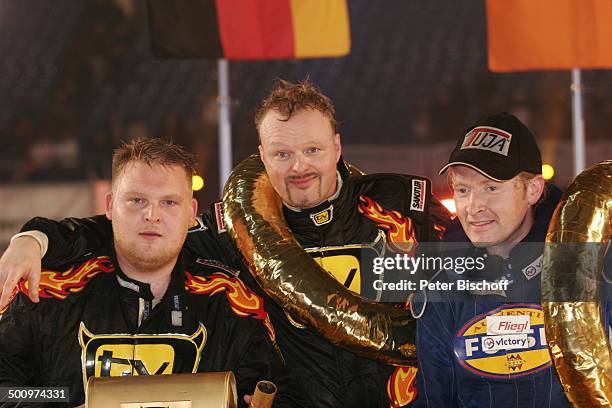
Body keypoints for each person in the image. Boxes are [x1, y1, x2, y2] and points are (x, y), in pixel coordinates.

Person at [0, 79, 452, 407]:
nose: (299, 166)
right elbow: (136, 236)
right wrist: (35, 238)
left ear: (336, 147)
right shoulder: (231, 228)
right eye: (281, 153)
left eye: (313, 150)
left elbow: (483, 266)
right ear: (261, 157)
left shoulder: (402, 206)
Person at [0, 138, 298, 407]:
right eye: (137, 200)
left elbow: (280, 392)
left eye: (168, 202)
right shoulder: (50, 290)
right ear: (110, 205)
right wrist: (65, 398)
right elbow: (7, 390)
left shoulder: (230, 301)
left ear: (191, 213)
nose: (152, 214)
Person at [411, 112, 570, 407]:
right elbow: (435, 399)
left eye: (491, 188)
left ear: (533, 190)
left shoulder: (582, 271)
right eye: (463, 190)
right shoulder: (442, 285)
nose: (474, 207)